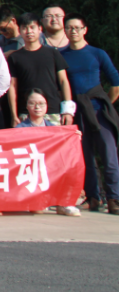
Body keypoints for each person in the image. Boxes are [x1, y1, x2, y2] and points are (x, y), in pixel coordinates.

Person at [60, 14, 119, 215]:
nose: (73, 31)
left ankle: (114, 198)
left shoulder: (97, 53)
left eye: (77, 27)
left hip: (99, 111)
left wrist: (105, 104)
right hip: (76, 112)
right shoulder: (61, 55)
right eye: (69, 28)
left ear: (85, 30)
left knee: (109, 156)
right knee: (84, 158)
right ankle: (93, 197)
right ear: (65, 31)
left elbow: (115, 83)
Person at [14, 89, 82, 217]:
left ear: (47, 106)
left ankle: (63, 203)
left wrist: (74, 138)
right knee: (37, 210)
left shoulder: (55, 129)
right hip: (31, 172)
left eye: (41, 103)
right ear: (26, 106)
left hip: (51, 169)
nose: (37, 107)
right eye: (32, 103)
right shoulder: (19, 129)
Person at [6, 12, 74, 127]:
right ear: (20, 31)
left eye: (32, 27)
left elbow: (63, 81)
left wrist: (68, 111)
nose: (29, 31)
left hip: (53, 111)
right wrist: (14, 115)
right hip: (27, 113)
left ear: (40, 29)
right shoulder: (15, 57)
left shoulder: (53, 53)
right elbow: (12, 86)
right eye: (24, 28)